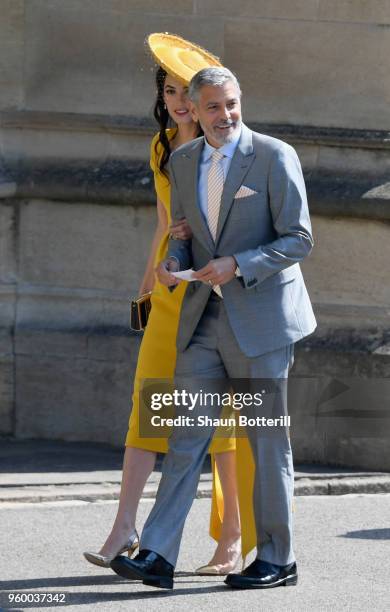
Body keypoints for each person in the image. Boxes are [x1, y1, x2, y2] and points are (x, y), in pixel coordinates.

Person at [110, 66, 317, 590]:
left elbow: (299, 238)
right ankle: (157, 553)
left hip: (262, 323)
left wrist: (239, 263)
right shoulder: (182, 161)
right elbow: (183, 232)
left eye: (232, 104)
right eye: (214, 107)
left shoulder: (274, 156)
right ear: (194, 112)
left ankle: (278, 558)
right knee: (185, 436)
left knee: (265, 442)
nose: (225, 116)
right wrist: (171, 260)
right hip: (202, 319)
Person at [83, 37, 245, 576]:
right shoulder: (161, 147)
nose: (178, 100)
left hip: (213, 294)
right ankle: (123, 526)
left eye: (187, 91)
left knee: (218, 422)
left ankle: (231, 538)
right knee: (146, 408)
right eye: (170, 89)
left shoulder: (231, 148)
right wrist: (145, 289)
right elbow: (160, 223)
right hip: (169, 292)